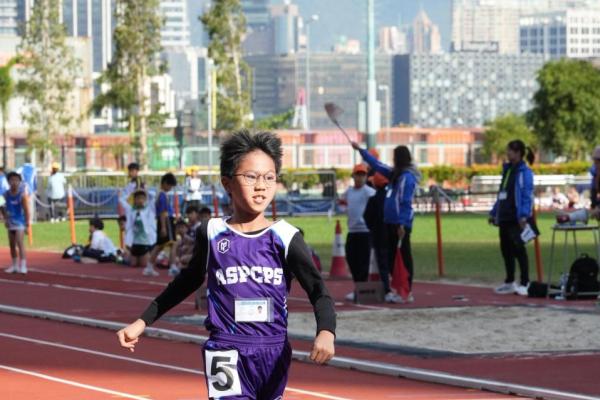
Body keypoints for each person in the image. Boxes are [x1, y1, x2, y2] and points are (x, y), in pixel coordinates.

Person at [116, 130, 336, 399]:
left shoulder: (286, 237)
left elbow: (318, 290)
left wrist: (326, 331)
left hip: (273, 349)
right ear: (227, 183)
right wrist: (142, 322)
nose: (261, 186)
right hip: (225, 349)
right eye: (251, 177)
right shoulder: (211, 232)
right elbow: (186, 281)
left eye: (269, 177)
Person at [351, 142, 420, 302]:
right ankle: (397, 289)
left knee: (403, 258)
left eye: (395, 157)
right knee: (391, 258)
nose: (393, 160)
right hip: (389, 222)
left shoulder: (407, 177)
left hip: (400, 224)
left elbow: (405, 202)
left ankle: (406, 291)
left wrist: (402, 224)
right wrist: (361, 150)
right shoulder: (395, 174)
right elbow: (377, 165)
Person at [489, 140, 535, 296]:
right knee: (506, 249)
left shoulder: (525, 173)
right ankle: (509, 282)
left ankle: (525, 282)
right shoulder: (507, 170)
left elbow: (527, 195)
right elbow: (502, 194)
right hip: (505, 216)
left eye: (510, 151)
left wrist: (524, 215)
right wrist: (494, 212)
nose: (507, 153)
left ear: (518, 153)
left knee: (519, 250)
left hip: (516, 218)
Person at [363, 172, 403, 303]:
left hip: (379, 235)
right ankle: (399, 289)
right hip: (392, 234)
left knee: (382, 263)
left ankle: (387, 289)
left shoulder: (373, 199)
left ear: (375, 184)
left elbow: (367, 218)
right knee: (393, 262)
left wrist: (372, 229)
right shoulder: (393, 198)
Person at [338, 164, 375, 301]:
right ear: (353, 176)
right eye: (357, 175)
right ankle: (358, 287)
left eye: (362, 175)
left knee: (363, 262)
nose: (360, 177)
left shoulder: (369, 192)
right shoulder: (349, 192)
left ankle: (361, 289)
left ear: (366, 177)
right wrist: (344, 208)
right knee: (352, 260)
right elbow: (341, 204)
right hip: (352, 231)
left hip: (365, 231)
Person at [145, 172, 177, 277]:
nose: (170, 188)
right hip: (166, 221)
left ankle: (149, 266)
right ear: (165, 183)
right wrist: (163, 227)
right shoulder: (162, 195)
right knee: (173, 244)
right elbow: (163, 212)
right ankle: (172, 267)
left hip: (163, 220)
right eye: (170, 185)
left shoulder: (160, 194)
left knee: (159, 245)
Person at [120, 189, 156, 269]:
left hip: (145, 243)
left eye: (142, 198)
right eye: (138, 198)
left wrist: (145, 189)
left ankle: (151, 256)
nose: (140, 200)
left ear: (145, 199)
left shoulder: (149, 209)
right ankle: (125, 257)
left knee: (143, 265)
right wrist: (131, 189)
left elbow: (154, 196)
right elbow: (121, 200)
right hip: (134, 243)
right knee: (133, 265)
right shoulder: (130, 210)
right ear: (135, 200)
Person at [3, 172, 29, 274]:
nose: (14, 182)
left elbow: (26, 210)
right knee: (12, 245)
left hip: (20, 222)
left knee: (19, 242)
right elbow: (1, 206)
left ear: (19, 182)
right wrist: (5, 218)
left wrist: (27, 225)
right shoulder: (5, 194)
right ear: (8, 182)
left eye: (16, 180)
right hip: (10, 222)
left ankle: (23, 265)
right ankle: (14, 266)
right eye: (12, 180)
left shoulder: (22, 195)